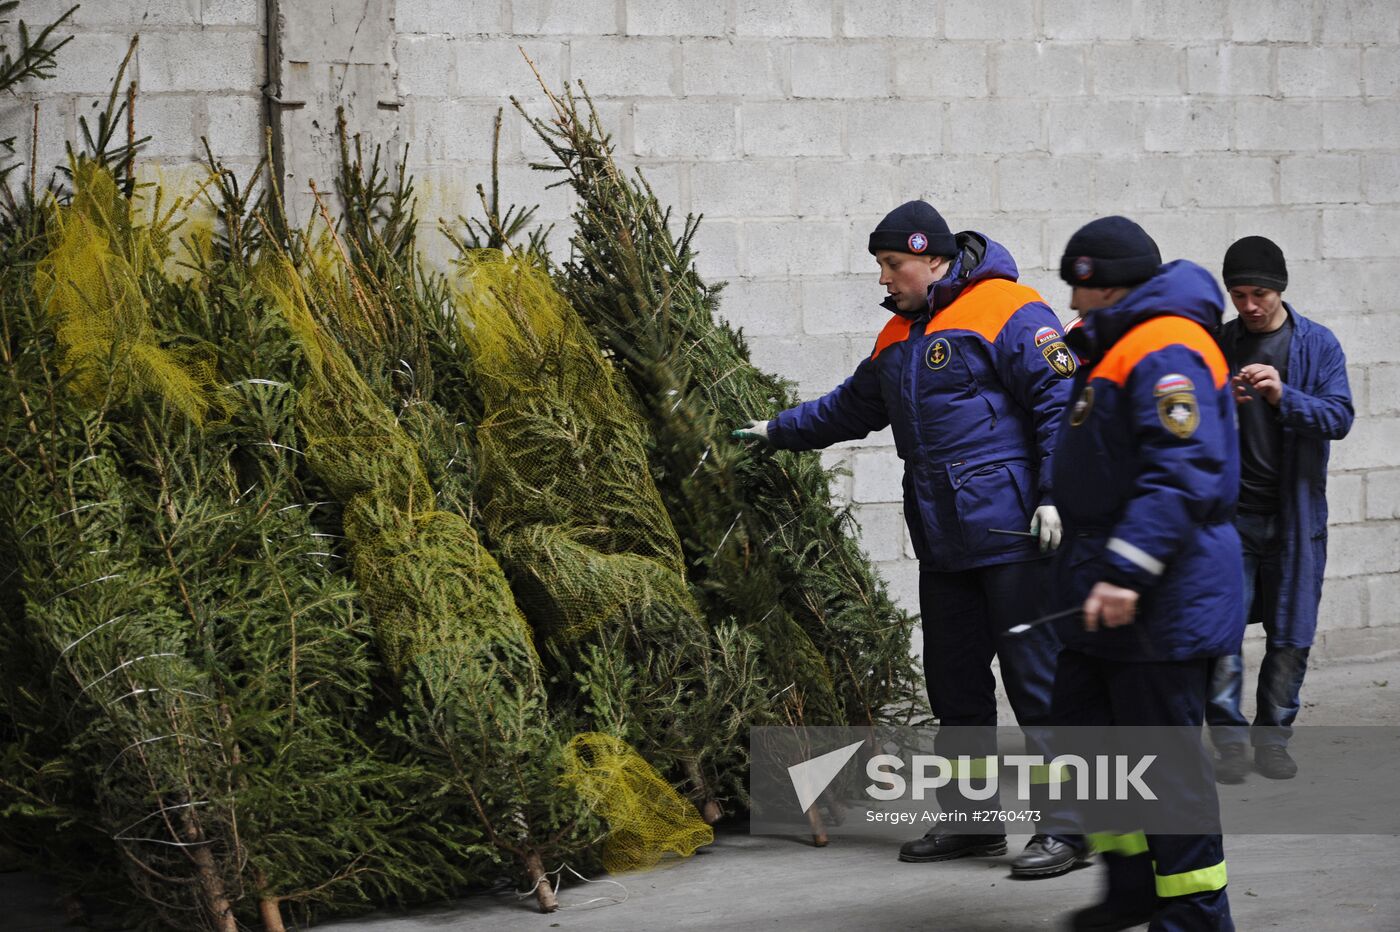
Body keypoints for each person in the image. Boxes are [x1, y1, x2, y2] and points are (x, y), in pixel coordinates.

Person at [733, 200, 1086, 876]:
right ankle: (972, 823)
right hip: (944, 543)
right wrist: (778, 429)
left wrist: (1054, 496)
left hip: (1015, 538)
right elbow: (850, 408)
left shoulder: (1009, 309)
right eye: (880, 265)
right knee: (955, 690)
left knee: (1039, 685)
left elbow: (1061, 404)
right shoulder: (898, 337)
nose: (884, 278)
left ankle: (1069, 828)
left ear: (933, 258)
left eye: (893, 263)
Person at [1049, 216, 1241, 931]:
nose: (1073, 302)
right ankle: (1131, 884)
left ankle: (1193, 913)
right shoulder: (1117, 345)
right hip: (1104, 589)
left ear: (1111, 286)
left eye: (1081, 287)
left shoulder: (1166, 346)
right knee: (1089, 746)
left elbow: (1182, 468)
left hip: (1162, 595)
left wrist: (1127, 571)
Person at [1206, 236, 1354, 783]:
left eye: (1259, 294)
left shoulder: (1317, 344)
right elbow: (1184, 421)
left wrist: (1281, 395)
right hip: (1231, 520)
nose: (1249, 305)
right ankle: (1229, 745)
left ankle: (1272, 740)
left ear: (1280, 289)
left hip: (1295, 520)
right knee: (1220, 638)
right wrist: (1216, 401)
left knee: (1291, 637)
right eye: (1238, 294)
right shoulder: (1219, 344)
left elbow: (1339, 417)